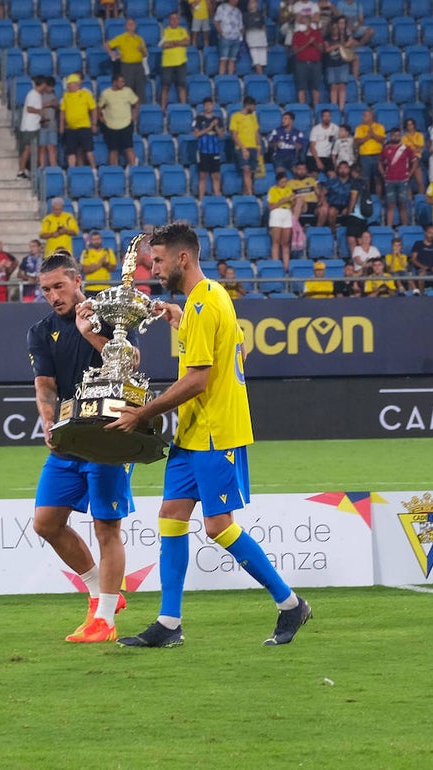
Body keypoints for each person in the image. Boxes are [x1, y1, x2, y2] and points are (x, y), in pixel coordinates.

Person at [110, 223, 312, 648]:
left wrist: (142, 413)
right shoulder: (207, 298)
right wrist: (178, 319)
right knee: (171, 515)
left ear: (182, 259)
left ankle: (290, 604)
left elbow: (199, 379)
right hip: (194, 432)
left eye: (160, 259)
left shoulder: (204, 304)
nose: (154, 267)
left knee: (218, 526)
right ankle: (168, 623)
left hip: (217, 431)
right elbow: (225, 350)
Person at [25, 250, 136, 641]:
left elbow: (130, 363)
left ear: (77, 281)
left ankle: (104, 619)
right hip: (69, 440)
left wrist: (87, 328)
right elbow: (46, 383)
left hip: (108, 436)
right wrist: (48, 421)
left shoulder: (111, 316)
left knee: (107, 527)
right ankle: (100, 592)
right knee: (46, 522)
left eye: (59, 286)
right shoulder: (40, 331)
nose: (53, 295)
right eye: (46, 290)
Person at [97, 74, 139, 167]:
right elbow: (99, 107)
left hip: (126, 124)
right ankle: (113, 170)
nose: (123, 83)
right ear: (114, 82)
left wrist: (134, 115)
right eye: (121, 81)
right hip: (111, 126)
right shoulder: (106, 93)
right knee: (113, 150)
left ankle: (134, 168)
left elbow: (136, 103)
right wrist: (101, 117)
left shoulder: (128, 91)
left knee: (129, 148)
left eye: (124, 81)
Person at [104, 17, 148, 103]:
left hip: (139, 66)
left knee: (140, 89)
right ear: (125, 26)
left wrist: (142, 50)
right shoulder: (121, 38)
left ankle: (140, 110)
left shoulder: (139, 39)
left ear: (135, 26)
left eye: (132, 24)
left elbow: (145, 54)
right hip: (127, 67)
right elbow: (107, 45)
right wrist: (113, 54)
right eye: (129, 24)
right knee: (128, 89)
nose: (131, 25)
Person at [60, 73, 97, 168]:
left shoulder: (85, 94)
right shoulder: (66, 96)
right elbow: (62, 112)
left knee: (88, 150)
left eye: (71, 84)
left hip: (84, 127)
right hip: (71, 128)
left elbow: (93, 109)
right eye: (68, 84)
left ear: (77, 84)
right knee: (71, 152)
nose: (69, 86)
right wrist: (61, 126)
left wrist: (94, 124)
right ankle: (71, 170)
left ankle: (94, 170)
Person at [159, 12, 191, 111]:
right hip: (168, 63)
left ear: (179, 20)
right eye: (172, 18)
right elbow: (164, 45)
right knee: (165, 86)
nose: (174, 20)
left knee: (182, 85)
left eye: (176, 18)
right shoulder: (165, 31)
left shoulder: (183, 30)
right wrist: (179, 43)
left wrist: (173, 43)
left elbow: (186, 42)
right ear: (169, 20)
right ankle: (163, 108)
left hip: (181, 62)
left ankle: (184, 106)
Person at [193, 98, 224, 199]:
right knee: (203, 175)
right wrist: (209, 128)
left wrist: (216, 127)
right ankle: (201, 198)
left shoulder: (218, 119)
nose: (208, 107)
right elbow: (196, 134)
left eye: (210, 105)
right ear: (203, 106)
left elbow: (221, 135)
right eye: (206, 105)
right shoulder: (199, 118)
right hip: (203, 150)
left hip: (214, 151)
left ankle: (217, 196)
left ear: (213, 106)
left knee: (215, 175)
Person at [229, 96, 260, 196]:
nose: (254, 109)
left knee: (251, 172)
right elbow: (234, 135)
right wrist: (243, 148)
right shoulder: (235, 116)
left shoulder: (253, 117)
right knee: (246, 170)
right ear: (248, 105)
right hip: (242, 148)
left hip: (253, 147)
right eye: (253, 106)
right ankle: (251, 194)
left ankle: (245, 193)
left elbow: (256, 132)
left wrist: (259, 146)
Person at [79, 230, 117, 296]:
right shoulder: (86, 253)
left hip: (105, 287)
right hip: (90, 288)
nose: (96, 241)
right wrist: (100, 263)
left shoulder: (108, 251)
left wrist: (106, 264)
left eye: (98, 239)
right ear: (90, 241)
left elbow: (113, 268)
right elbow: (85, 270)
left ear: (101, 239)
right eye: (94, 239)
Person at [214, 0, 244, 75]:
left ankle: (230, 77)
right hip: (225, 37)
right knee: (223, 59)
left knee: (232, 60)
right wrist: (221, 33)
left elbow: (241, 26)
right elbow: (216, 21)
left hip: (236, 38)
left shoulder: (238, 11)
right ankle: (221, 77)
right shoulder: (221, 8)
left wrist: (241, 35)